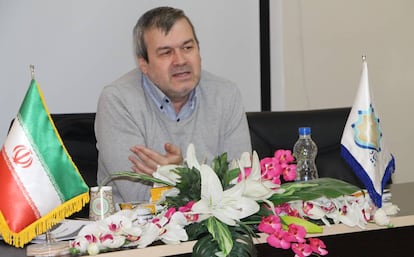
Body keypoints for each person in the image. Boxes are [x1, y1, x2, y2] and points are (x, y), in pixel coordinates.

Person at [95, 6, 251, 204]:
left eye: (187, 48)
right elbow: (140, 198)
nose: (180, 60)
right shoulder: (118, 101)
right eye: (166, 52)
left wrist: (177, 175)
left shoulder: (226, 94)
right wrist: (184, 179)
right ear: (144, 64)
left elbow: (241, 185)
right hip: (135, 229)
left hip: (215, 230)